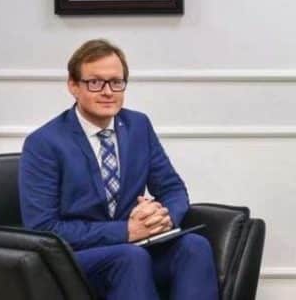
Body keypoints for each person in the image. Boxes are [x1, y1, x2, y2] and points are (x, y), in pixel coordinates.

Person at [19, 39, 218, 300]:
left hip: (135, 248)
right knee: (129, 257)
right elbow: (44, 228)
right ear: (73, 86)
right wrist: (126, 231)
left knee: (194, 246)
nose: (107, 92)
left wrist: (162, 219)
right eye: (95, 82)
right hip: (77, 259)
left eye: (116, 82)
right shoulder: (44, 143)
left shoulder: (138, 125)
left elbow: (172, 188)